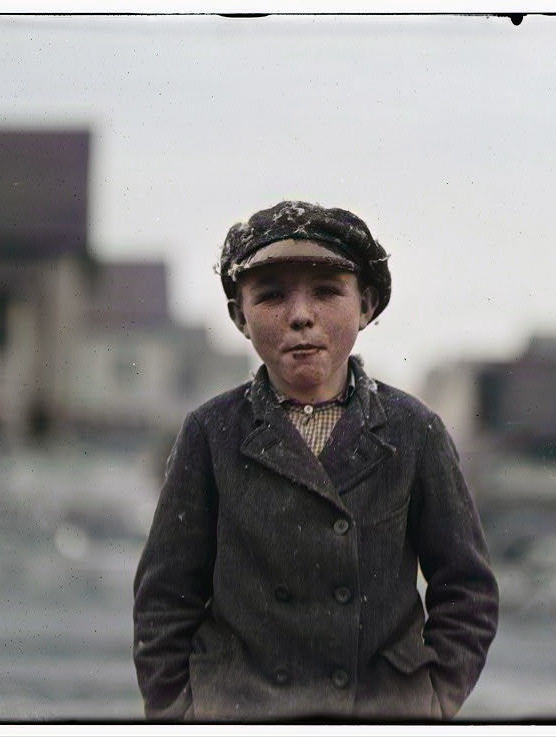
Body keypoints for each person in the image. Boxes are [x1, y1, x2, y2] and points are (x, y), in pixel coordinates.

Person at [132, 200, 498, 722]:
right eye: (271, 295)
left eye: (327, 292)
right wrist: (178, 715)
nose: (301, 315)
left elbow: (467, 589)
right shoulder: (210, 432)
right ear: (240, 316)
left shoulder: (414, 431)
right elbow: (165, 598)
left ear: (366, 306)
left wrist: (432, 702)